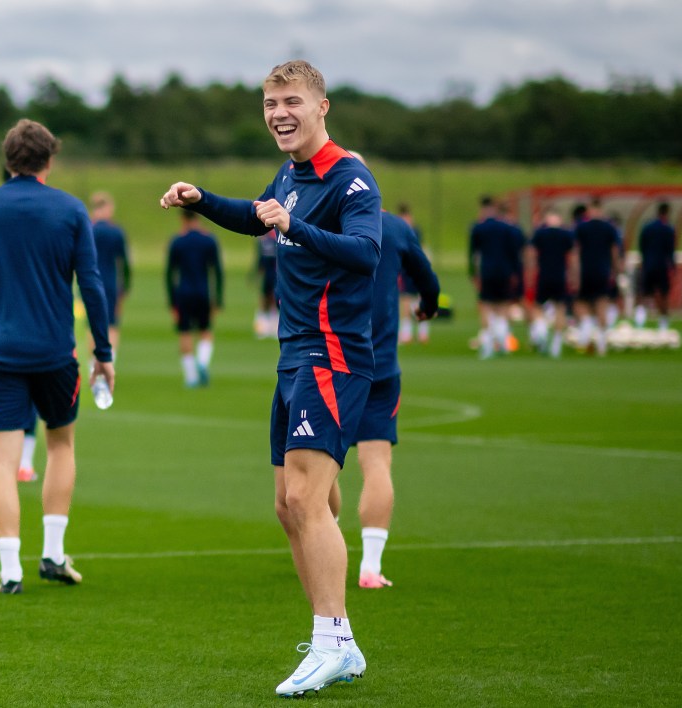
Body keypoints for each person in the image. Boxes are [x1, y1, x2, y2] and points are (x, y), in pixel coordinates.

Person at [159, 60, 378, 697]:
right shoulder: (289, 173)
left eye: (290, 102)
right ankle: (340, 641)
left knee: (307, 501)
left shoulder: (350, 177)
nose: (278, 113)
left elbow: (367, 254)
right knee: (290, 506)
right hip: (292, 356)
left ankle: (331, 638)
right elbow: (260, 216)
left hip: (332, 355)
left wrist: (296, 227)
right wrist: (203, 202)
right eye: (269, 103)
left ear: (321, 107)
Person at [0, 118, 114, 594]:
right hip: (54, 353)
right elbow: (91, 284)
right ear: (50, 159)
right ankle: (52, 553)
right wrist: (103, 350)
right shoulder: (69, 209)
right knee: (61, 445)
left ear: (8, 160)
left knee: (2, 461)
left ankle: (10, 570)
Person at [333, 153, 440, 589]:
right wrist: (427, 306)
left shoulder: (322, 223)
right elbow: (428, 279)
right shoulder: (395, 227)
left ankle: (328, 543)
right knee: (377, 464)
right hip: (380, 365)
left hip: (332, 362)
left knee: (321, 465)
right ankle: (370, 568)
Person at [165, 210, 224, 387]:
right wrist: (218, 298)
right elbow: (218, 271)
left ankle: (191, 377)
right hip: (203, 292)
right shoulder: (209, 240)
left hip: (183, 293)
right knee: (205, 331)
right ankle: (202, 362)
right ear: (198, 217)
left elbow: (169, 274)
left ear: (182, 218)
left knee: (185, 333)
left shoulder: (177, 241)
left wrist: (171, 301)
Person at [468, 195, 525, 359]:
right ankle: (502, 341)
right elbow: (514, 253)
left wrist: (473, 273)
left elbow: (473, 254)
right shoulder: (508, 228)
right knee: (503, 306)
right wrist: (515, 272)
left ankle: (487, 345)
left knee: (486, 306)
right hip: (505, 272)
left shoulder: (479, 227)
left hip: (487, 271)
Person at [572, 198, 622, 356]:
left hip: (586, 271)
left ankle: (586, 325)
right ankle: (601, 343)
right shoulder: (609, 228)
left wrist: (575, 273)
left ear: (589, 209)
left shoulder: (581, 227)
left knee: (581, 303)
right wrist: (616, 270)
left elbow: (575, 252)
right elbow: (615, 252)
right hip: (603, 271)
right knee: (602, 304)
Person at [526, 211, 575, 358]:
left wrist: (530, 275)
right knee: (560, 307)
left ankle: (541, 330)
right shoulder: (566, 235)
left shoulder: (539, 233)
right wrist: (573, 276)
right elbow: (573, 258)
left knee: (538, 306)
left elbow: (531, 255)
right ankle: (556, 344)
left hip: (544, 275)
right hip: (560, 275)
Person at [89, 192, 131, 360]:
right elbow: (124, 263)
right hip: (111, 282)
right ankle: (109, 362)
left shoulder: (88, 229)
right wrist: (125, 287)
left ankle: (94, 364)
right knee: (112, 324)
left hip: (91, 282)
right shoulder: (116, 232)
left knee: (92, 324)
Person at [635, 202, 677, 331]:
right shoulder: (669, 229)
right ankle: (663, 324)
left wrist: (643, 262)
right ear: (667, 212)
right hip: (662, 266)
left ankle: (639, 323)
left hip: (648, 265)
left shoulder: (647, 227)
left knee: (643, 294)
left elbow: (641, 247)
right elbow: (671, 251)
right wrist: (673, 268)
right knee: (663, 295)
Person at [395, 203, 431, 344]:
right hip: (412, 268)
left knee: (409, 300)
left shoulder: (403, 229)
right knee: (409, 299)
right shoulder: (414, 229)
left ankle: (414, 332)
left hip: (410, 268)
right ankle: (415, 333)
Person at [253, 229, 279, 339]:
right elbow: (260, 259)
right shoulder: (262, 240)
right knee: (264, 299)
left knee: (273, 299)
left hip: (275, 274)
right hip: (268, 274)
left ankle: (273, 327)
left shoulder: (276, 239)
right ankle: (262, 326)